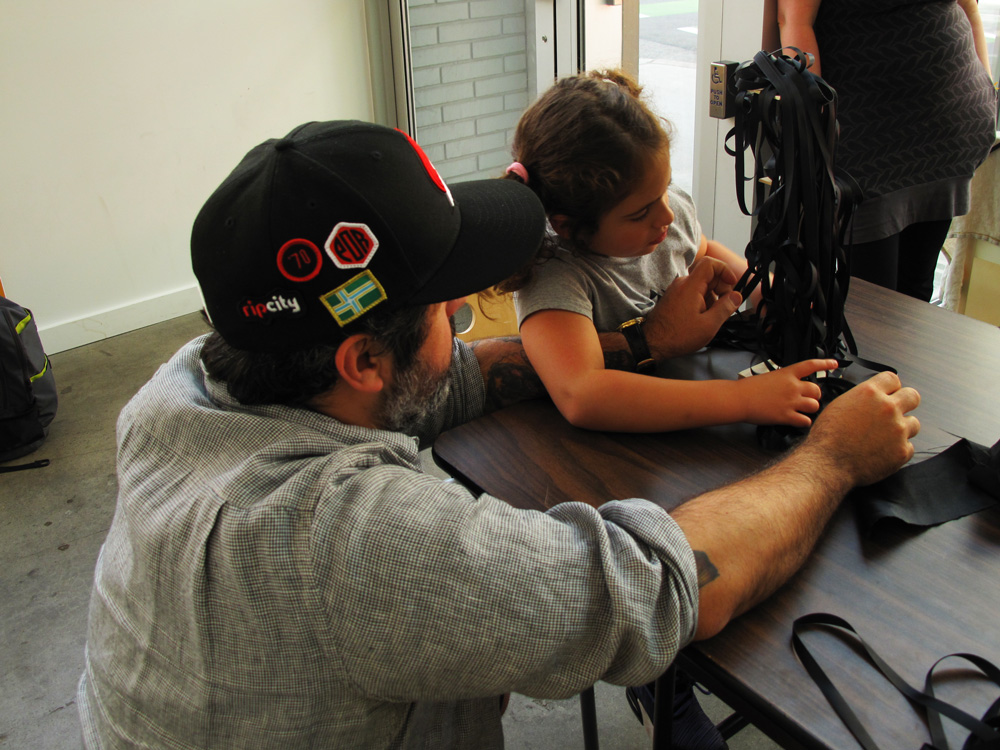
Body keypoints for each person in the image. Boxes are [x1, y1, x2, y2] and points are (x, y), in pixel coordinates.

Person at [77, 120, 921, 750]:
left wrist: (640, 344)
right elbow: (658, 586)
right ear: (363, 359)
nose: (463, 312)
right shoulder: (354, 543)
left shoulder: (180, 390)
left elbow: (454, 379)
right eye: (447, 305)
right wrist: (833, 455)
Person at [502, 69, 837, 438]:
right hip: (602, 451)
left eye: (664, 190)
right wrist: (743, 399)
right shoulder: (554, 274)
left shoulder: (663, 215)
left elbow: (702, 250)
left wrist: (761, 290)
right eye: (640, 213)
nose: (667, 216)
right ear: (568, 226)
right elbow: (583, 395)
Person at [777, 0, 997, 301]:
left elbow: (968, 6)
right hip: (867, 150)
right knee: (870, 303)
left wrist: (986, 90)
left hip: (948, 141)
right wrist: (818, 133)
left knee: (915, 292)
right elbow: (793, 21)